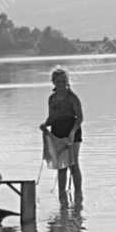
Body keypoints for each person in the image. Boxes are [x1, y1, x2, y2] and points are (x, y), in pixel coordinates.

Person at [39, 67, 84, 205]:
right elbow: (52, 117)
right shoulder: (52, 98)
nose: (61, 83)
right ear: (53, 82)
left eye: (64, 80)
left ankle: (78, 195)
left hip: (72, 129)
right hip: (57, 130)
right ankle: (62, 196)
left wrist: (72, 133)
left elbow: (80, 117)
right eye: (58, 81)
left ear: (67, 81)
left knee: (73, 164)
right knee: (61, 166)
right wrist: (45, 125)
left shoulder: (72, 97)